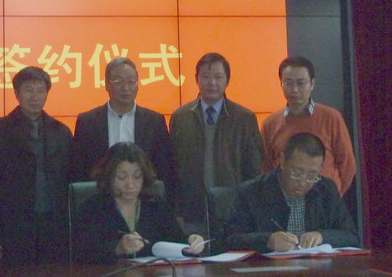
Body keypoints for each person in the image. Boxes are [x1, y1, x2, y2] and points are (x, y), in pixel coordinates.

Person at [0, 66, 73, 267]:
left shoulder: (62, 132)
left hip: (54, 228)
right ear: (17, 93)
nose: (35, 97)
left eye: (40, 90)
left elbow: (72, 181)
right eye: (29, 90)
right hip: (13, 229)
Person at [170, 52, 263, 234]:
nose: (211, 82)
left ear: (227, 81)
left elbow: (253, 170)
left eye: (218, 77)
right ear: (196, 79)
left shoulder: (244, 118)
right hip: (191, 211)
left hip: (232, 212)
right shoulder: (180, 117)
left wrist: (249, 211)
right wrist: (176, 211)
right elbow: (173, 169)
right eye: (205, 76)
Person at [225, 133, 358, 253]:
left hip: (316, 267)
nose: (303, 182)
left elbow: (351, 236)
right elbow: (231, 239)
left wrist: (322, 236)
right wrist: (268, 240)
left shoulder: (326, 190)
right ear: (282, 161)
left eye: (312, 175)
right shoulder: (252, 192)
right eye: (297, 173)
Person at [73, 142, 204, 264]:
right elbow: (79, 254)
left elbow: (177, 241)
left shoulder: (155, 206)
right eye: (122, 177)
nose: (130, 184)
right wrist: (117, 249)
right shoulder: (92, 208)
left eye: (137, 176)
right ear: (109, 177)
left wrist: (192, 241)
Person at [71, 57, 174, 195]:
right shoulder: (87, 122)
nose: (126, 88)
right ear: (106, 85)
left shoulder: (154, 122)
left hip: (143, 198)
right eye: (118, 81)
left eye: (131, 82)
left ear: (137, 85)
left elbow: (164, 169)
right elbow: (79, 171)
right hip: (100, 198)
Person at [261, 56, 356, 196]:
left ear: (312, 84)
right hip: (283, 200)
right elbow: (266, 167)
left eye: (301, 83)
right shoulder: (270, 124)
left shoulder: (331, 117)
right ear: (281, 84)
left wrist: (334, 196)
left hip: (323, 199)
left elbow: (347, 165)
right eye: (288, 83)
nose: (294, 90)